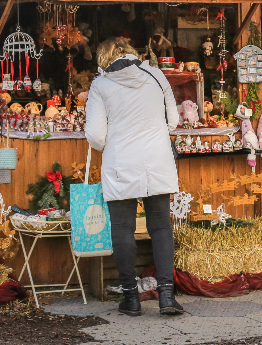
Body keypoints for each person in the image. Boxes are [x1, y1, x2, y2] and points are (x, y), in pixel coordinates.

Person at [85, 37, 183, 316]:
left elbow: (95, 135)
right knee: (161, 226)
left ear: (104, 59)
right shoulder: (156, 74)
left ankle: (130, 298)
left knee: (123, 228)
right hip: (156, 158)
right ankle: (166, 296)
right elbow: (173, 121)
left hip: (120, 161)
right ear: (132, 53)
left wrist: (113, 142)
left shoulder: (100, 85)